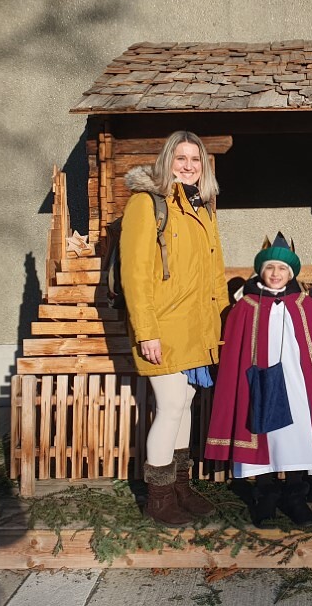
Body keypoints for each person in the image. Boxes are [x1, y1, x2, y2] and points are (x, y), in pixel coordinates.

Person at [205, 234, 312, 528]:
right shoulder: (245, 307)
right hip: (257, 385)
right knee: (262, 434)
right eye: (270, 267)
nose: (276, 274)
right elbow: (234, 355)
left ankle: (296, 496)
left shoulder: (305, 306)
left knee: (297, 436)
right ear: (261, 271)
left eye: (282, 269)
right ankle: (266, 495)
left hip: (298, 385)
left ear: (291, 273)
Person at [121, 130, 227, 526]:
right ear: (167, 161)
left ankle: (181, 486)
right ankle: (159, 497)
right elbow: (134, 275)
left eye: (195, 159)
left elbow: (215, 274)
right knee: (168, 407)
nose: (188, 165)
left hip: (196, 329)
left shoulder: (204, 209)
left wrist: (220, 323)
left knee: (184, 405)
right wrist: (146, 331)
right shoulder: (146, 204)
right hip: (163, 328)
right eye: (180, 158)